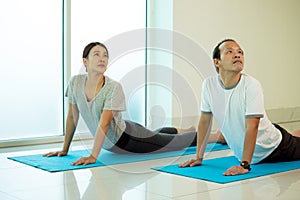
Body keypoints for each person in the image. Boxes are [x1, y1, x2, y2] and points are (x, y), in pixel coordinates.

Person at [43, 42, 225, 166]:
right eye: (96, 55)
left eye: (105, 55)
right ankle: (185, 129)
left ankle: (216, 136)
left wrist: (93, 156)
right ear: (85, 61)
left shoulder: (113, 87)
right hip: (124, 134)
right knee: (155, 135)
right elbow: (72, 117)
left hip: (127, 139)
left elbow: (105, 124)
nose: (102, 58)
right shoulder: (75, 83)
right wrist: (65, 149)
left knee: (171, 143)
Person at [179, 39, 300, 176]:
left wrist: (244, 165)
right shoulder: (209, 85)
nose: (237, 55)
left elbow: (252, 126)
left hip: (274, 147)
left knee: (294, 142)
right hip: (264, 136)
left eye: (240, 52)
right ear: (216, 61)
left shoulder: (251, 85)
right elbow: (205, 121)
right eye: (230, 52)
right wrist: (198, 157)